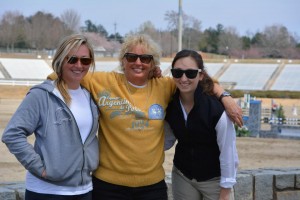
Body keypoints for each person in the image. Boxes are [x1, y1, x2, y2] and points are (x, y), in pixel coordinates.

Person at [49, 34, 242, 200]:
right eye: (131, 57)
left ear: (153, 64)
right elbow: (63, 73)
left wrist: (225, 97)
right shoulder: (101, 81)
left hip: (152, 187)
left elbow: (199, 79)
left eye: (146, 58)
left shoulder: (165, 85)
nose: (138, 62)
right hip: (108, 185)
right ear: (122, 60)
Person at [2, 34, 100, 200]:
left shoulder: (90, 96)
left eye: (85, 60)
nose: (79, 65)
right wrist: (40, 168)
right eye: (72, 59)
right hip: (47, 192)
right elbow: (12, 134)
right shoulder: (41, 95)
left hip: (84, 190)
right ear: (61, 60)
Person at [165, 49, 239, 200]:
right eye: (177, 73)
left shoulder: (216, 109)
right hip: (182, 175)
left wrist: (226, 188)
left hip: (214, 180)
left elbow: (228, 151)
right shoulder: (170, 104)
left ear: (200, 75)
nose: (183, 78)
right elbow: (167, 140)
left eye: (190, 73)